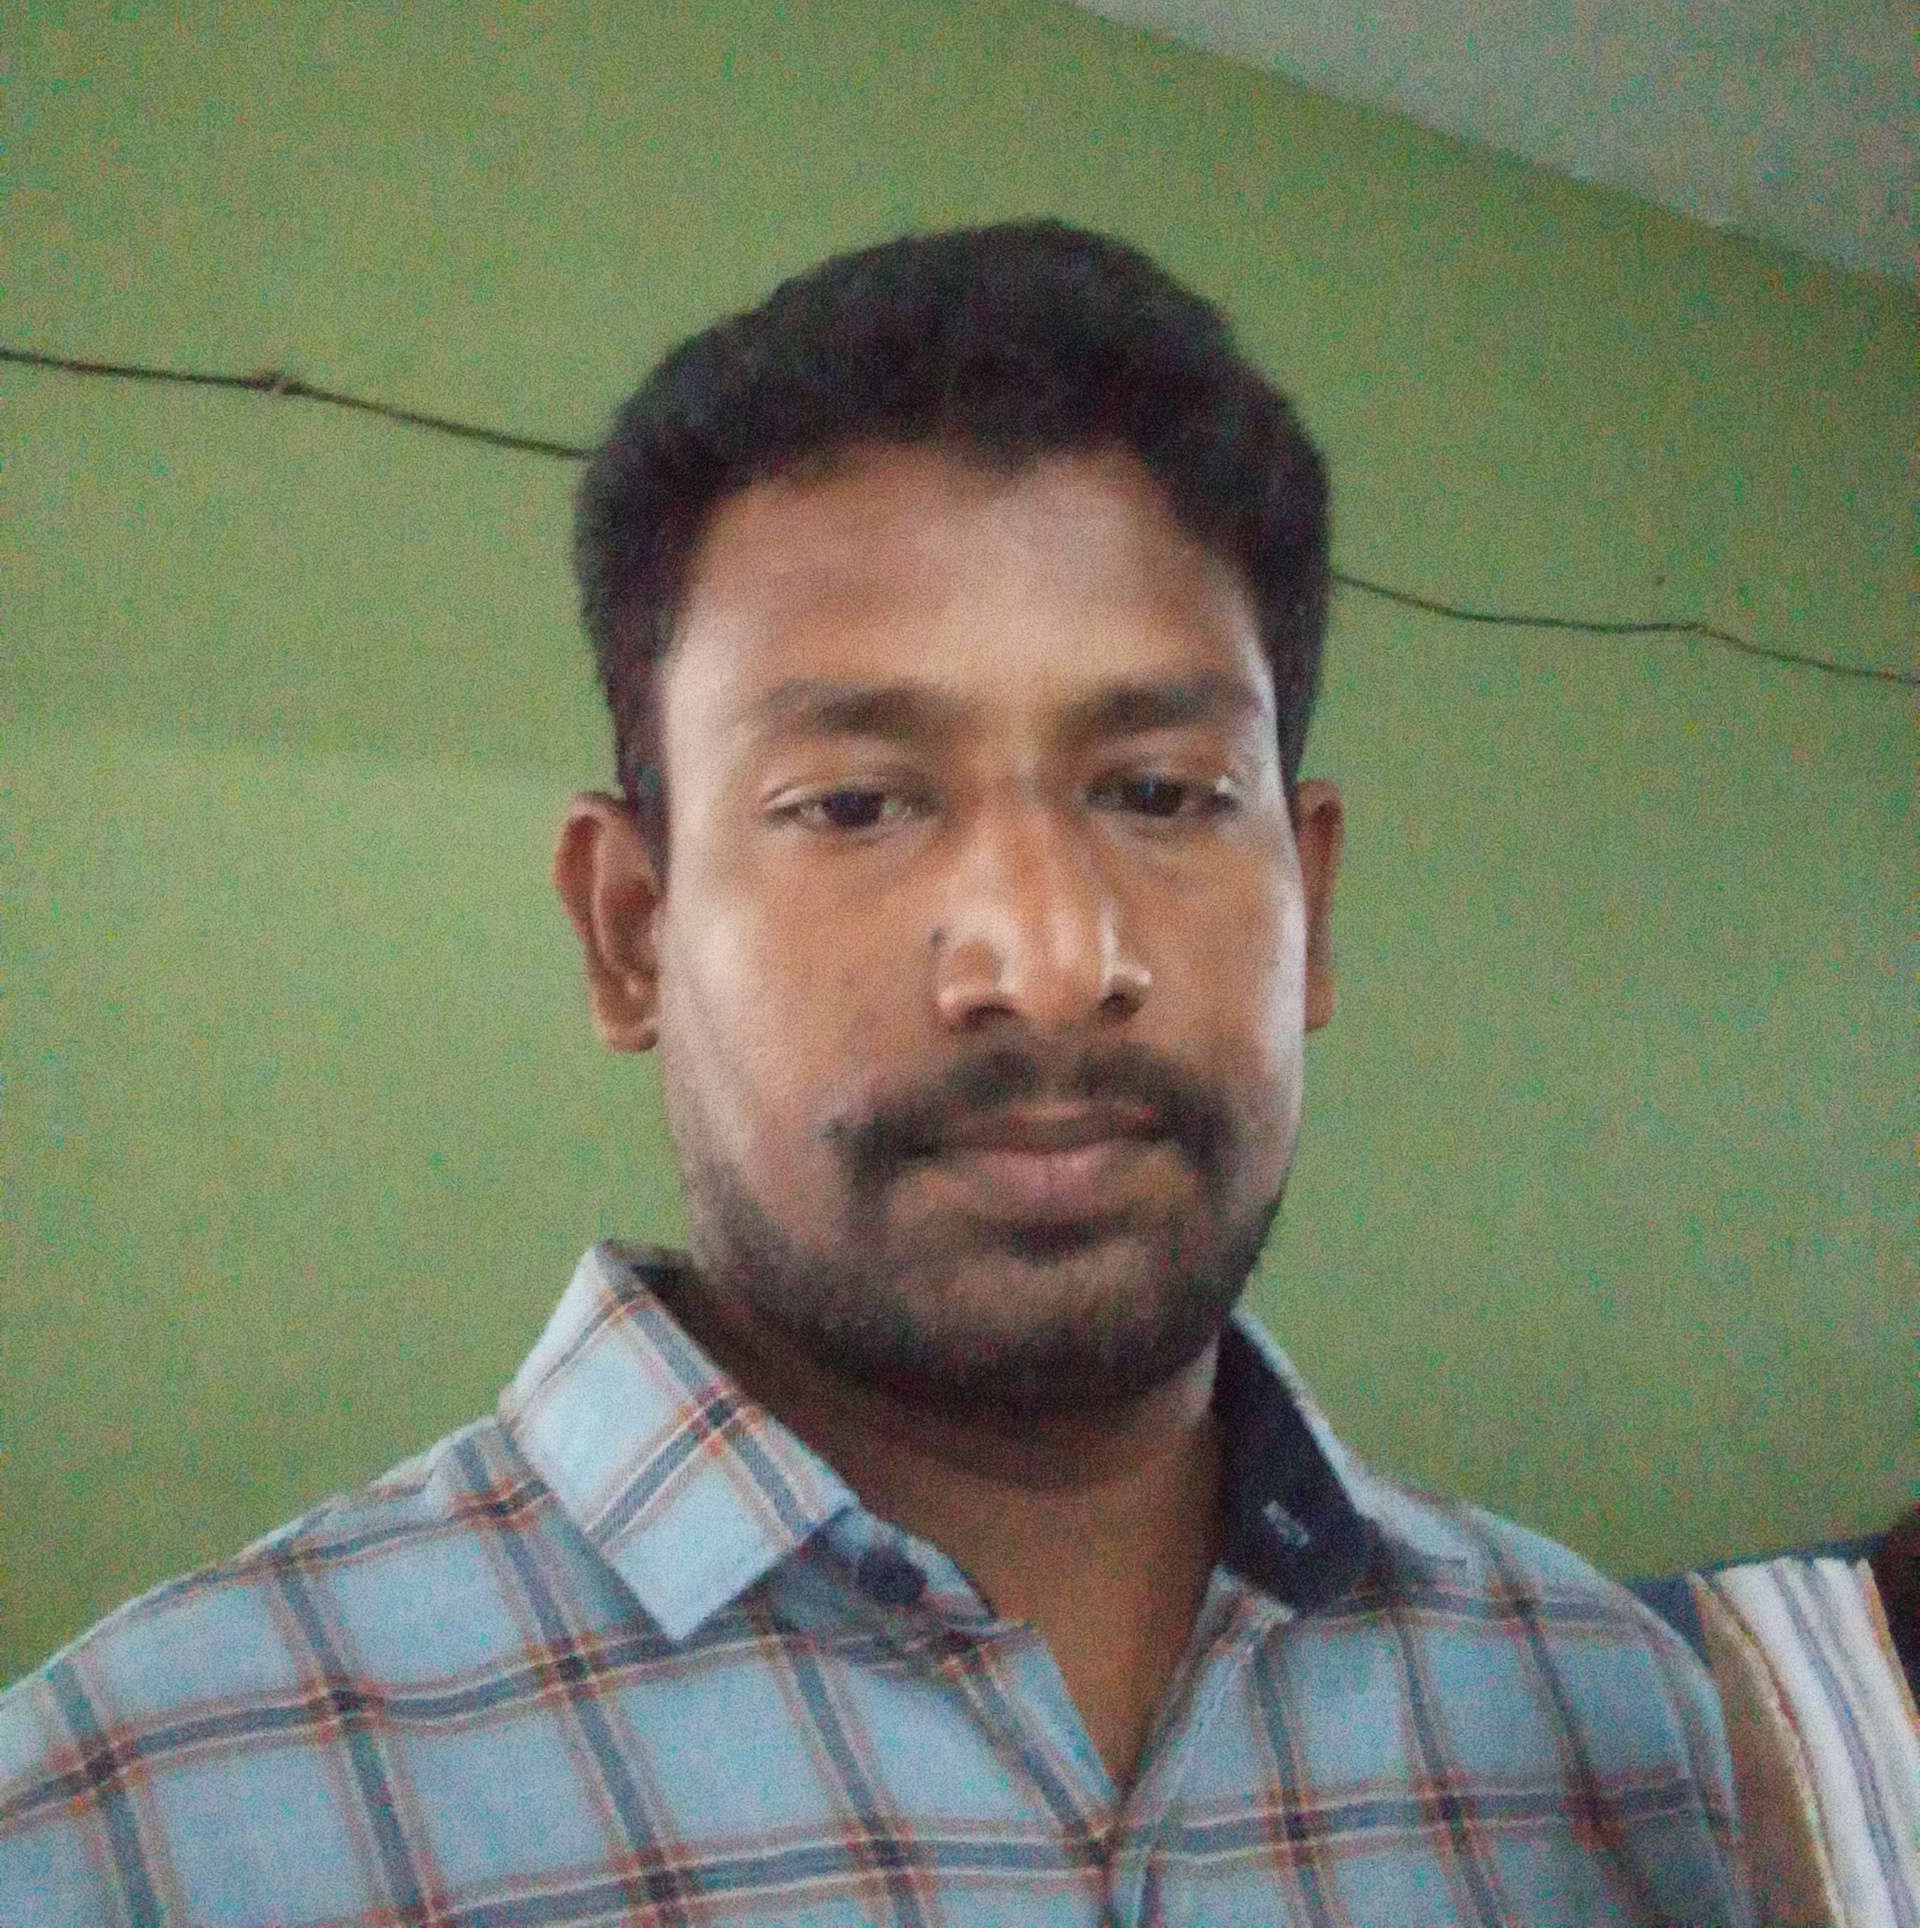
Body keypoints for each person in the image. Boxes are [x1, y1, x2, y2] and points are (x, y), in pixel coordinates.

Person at [0, 222, 1750, 1926]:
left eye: (1161, 793)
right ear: (629, 931)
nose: (1049, 961)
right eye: (854, 804)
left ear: (1314, 903)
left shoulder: (1612, 1731)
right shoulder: (132, 1824)